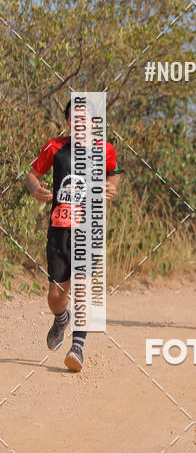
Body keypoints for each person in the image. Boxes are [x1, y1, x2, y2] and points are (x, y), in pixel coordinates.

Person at [25, 99, 121, 372]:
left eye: (85, 118)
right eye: (73, 118)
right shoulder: (55, 148)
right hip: (59, 229)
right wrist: (35, 189)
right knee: (56, 294)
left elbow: (113, 175)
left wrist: (110, 187)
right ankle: (61, 317)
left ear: (94, 122)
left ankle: (77, 346)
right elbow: (32, 174)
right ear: (67, 121)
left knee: (81, 286)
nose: (79, 123)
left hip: (89, 229)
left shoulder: (105, 150)